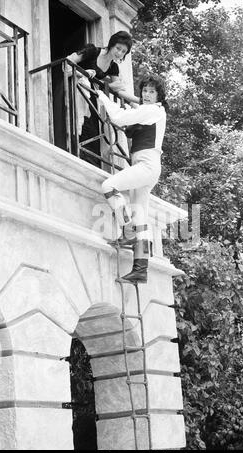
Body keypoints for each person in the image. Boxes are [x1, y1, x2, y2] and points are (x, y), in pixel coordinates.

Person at [97, 74, 168, 284]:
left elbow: (118, 117)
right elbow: (135, 103)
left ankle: (126, 230)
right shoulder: (154, 109)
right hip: (148, 166)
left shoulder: (153, 110)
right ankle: (140, 269)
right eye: (145, 90)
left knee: (109, 185)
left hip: (146, 164)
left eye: (152, 91)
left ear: (159, 95)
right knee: (142, 217)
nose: (146, 95)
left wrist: (102, 95)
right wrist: (120, 92)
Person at [66, 31, 139, 165]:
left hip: (89, 97)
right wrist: (82, 73)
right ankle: (71, 153)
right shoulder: (92, 51)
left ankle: (86, 160)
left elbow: (120, 91)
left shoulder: (113, 67)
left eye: (123, 51)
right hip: (73, 91)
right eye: (118, 48)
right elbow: (67, 62)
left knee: (91, 129)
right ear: (111, 45)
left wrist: (138, 102)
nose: (119, 53)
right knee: (73, 124)